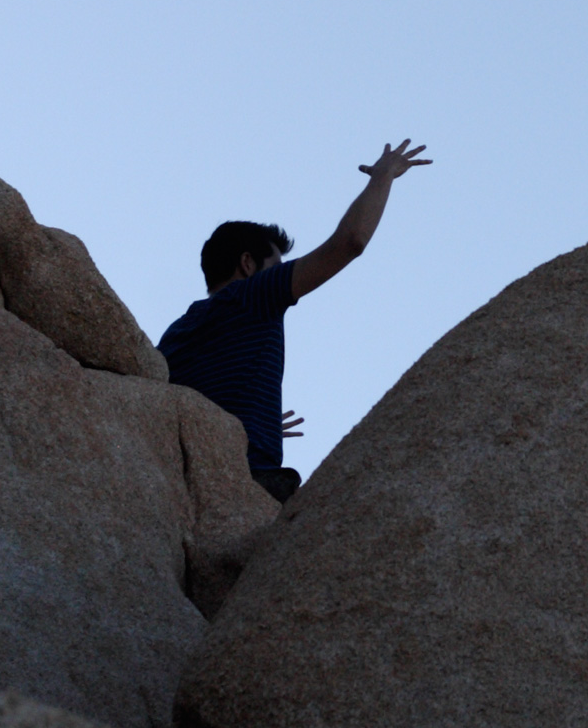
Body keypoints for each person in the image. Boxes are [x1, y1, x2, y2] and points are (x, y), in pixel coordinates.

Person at [159, 140, 431, 502]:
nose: (282, 273)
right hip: (249, 480)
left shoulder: (177, 333)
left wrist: (258, 424)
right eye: (276, 266)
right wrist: (382, 177)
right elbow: (351, 241)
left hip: (186, 481)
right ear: (248, 264)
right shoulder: (251, 295)